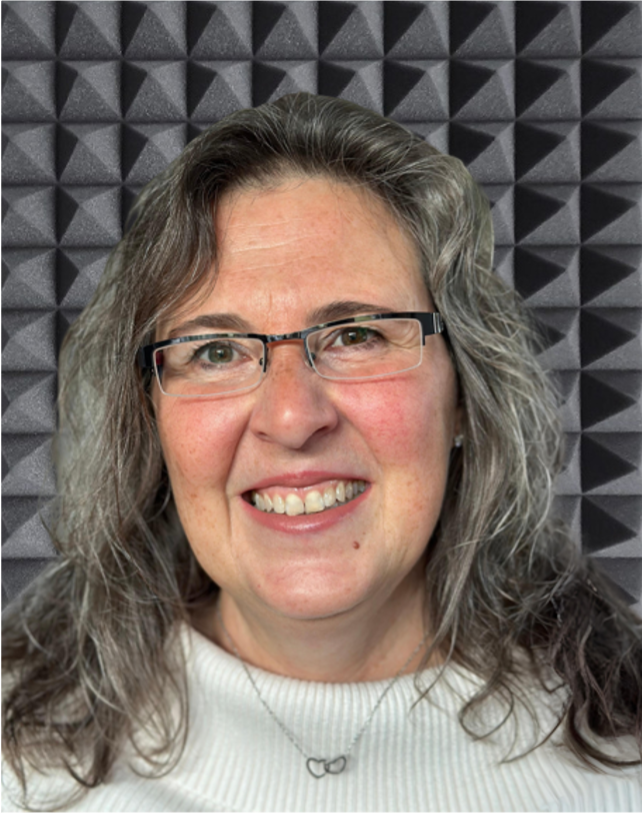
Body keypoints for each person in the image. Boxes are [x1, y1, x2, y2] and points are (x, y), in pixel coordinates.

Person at [1, 92, 640, 813]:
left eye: (357, 336)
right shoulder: (19, 774)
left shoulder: (622, 771)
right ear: (149, 417)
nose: (292, 417)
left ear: (465, 390)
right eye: (216, 351)